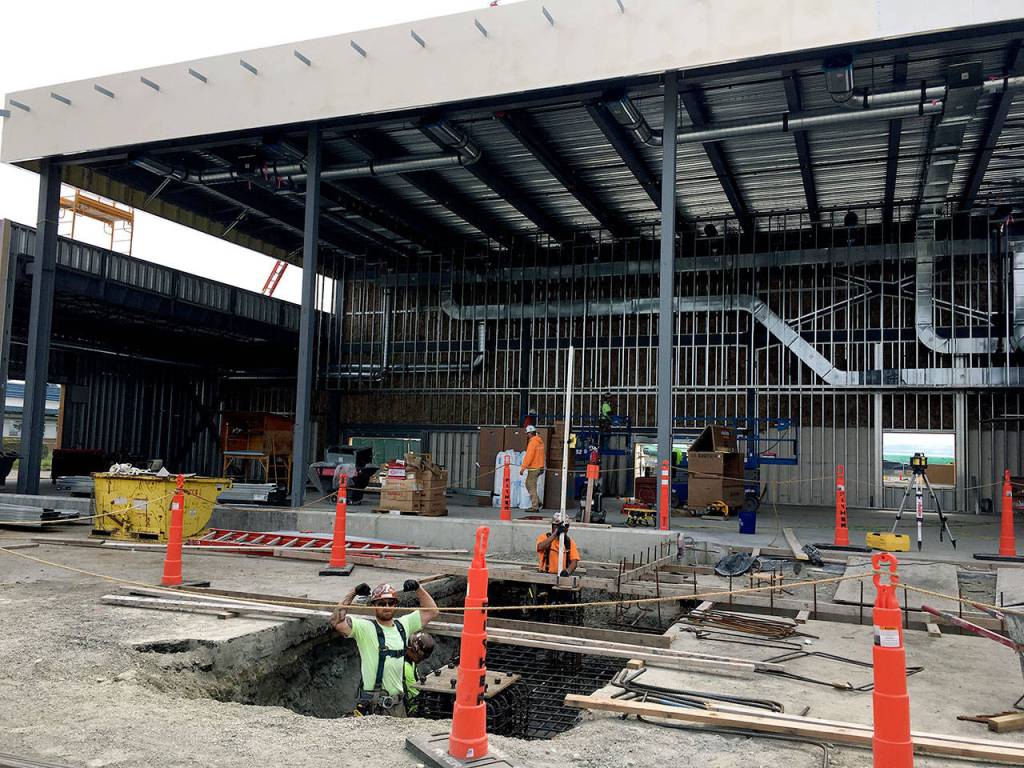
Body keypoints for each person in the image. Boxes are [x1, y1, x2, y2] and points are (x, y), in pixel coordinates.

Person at [329, 580, 439, 717]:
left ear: (395, 605)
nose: (387, 607)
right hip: (375, 706)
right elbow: (336, 621)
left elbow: (432, 611)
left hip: (399, 706)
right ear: (374, 606)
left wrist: (418, 588)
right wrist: (354, 592)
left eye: (390, 603)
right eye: (381, 603)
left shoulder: (403, 625)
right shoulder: (365, 628)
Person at [536, 510, 580, 576]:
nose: (564, 528)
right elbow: (540, 547)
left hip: (562, 577)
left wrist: (567, 572)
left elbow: (574, 562)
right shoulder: (544, 537)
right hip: (545, 575)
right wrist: (555, 534)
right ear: (553, 526)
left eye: (566, 526)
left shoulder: (569, 542)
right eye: (558, 526)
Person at [403, 631, 435, 716]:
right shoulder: (405, 667)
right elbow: (414, 693)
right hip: (406, 706)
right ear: (411, 649)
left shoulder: (411, 661)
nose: (422, 660)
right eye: (420, 657)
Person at [522, 424, 546, 512]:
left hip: (533, 468)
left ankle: (535, 506)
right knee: (529, 485)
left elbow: (529, 456)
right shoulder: (540, 442)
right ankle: (538, 502)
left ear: (530, 433)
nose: (527, 435)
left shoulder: (532, 443)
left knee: (530, 486)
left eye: (527, 434)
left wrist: (523, 468)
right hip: (539, 467)